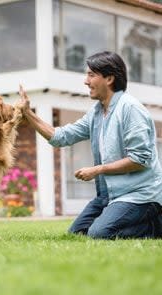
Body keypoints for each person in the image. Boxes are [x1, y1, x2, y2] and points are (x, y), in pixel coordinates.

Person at [18, 51, 162, 239]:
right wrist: (28, 113)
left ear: (109, 78)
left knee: (99, 233)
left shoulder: (130, 109)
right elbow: (61, 136)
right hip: (108, 196)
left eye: (91, 75)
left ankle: (156, 225)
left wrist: (97, 170)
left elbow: (140, 159)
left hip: (140, 195)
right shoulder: (96, 113)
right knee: (77, 233)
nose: (86, 81)